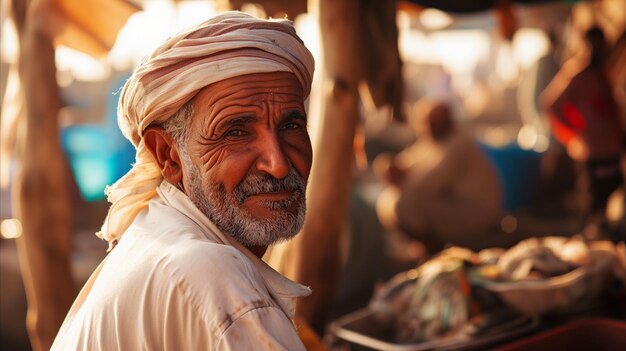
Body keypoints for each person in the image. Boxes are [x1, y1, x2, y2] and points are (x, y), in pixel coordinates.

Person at [51, 12, 317, 350]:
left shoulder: (158, 236)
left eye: (291, 126)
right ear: (168, 156)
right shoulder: (214, 278)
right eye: (235, 132)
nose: (278, 165)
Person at [374, 99, 502, 254]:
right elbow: (408, 162)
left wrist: (401, 176)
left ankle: (434, 251)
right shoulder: (433, 142)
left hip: (476, 214)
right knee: (390, 199)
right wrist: (389, 167)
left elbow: (428, 183)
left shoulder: (459, 144)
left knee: (404, 204)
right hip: (456, 207)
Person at [542, 26, 624, 228]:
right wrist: (575, 132)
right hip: (593, 152)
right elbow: (551, 105)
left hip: (613, 150)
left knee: (614, 203)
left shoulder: (606, 72)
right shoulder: (578, 74)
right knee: (593, 206)